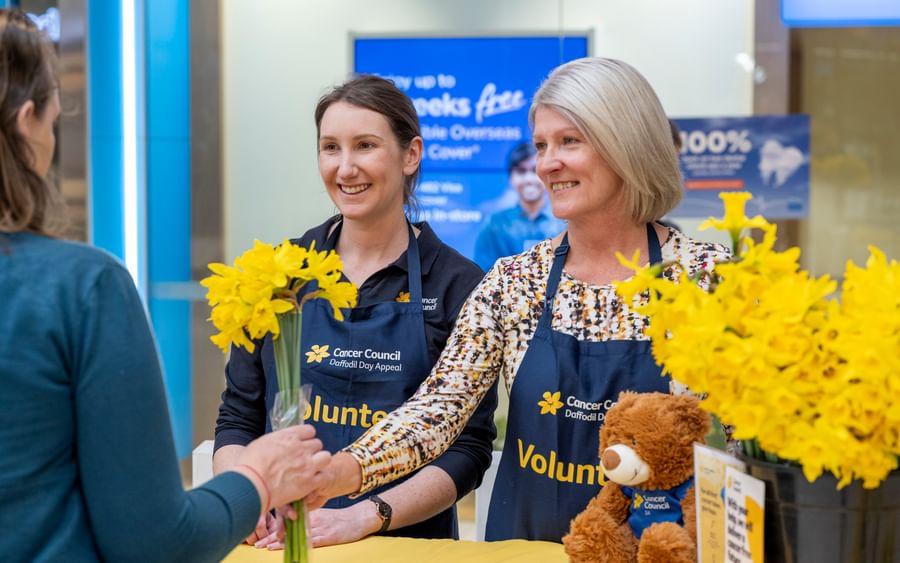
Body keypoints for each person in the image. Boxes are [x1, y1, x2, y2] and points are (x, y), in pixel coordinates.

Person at [316, 57, 731, 543]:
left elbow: (750, 445)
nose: (547, 163)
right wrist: (337, 475)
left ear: (628, 143)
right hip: (528, 547)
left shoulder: (709, 279)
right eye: (541, 145)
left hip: (664, 550)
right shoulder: (516, 281)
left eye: (569, 141)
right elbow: (439, 409)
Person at [0, 10, 330, 563]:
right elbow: (154, 543)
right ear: (28, 118)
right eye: (57, 118)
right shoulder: (82, 289)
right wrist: (259, 476)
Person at [213, 75, 498, 548]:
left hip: (404, 545)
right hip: (282, 542)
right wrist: (244, 497)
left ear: (411, 155)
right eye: (330, 148)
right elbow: (238, 417)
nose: (345, 168)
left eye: (365, 145)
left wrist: (365, 516)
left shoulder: (459, 284)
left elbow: (467, 449)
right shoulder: (278, 273)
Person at [473, 142, 565, 271]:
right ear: (510, 178)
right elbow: (482, 275)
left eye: (534, 170)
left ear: (548, 175)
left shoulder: (566, 222)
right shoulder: (495, 224)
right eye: (521, 171)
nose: (528, 179)